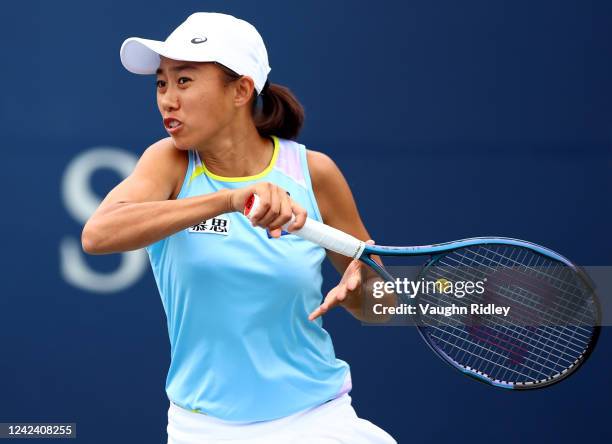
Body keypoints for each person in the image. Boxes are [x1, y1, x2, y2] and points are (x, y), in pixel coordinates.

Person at [82, 12, 397, 444]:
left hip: (317, 419)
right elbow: (98, 234)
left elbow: (382, 304)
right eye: (161, 83)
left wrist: (362, 291)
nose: (167, 100)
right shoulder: (168, 162)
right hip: (204, 429)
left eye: (184, 81)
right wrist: (231, 198)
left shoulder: (313, 173)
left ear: (241, 90)